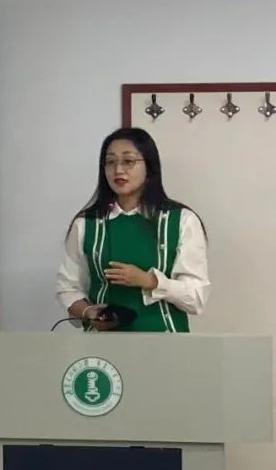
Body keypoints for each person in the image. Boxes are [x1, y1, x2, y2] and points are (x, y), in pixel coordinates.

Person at [56, 127, 210, 332]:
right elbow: (68, 287)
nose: (118, 170)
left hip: (166, 341)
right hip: (102, 345)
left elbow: (197, 297)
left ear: (149, 166)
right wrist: (89, 312)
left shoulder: (181, 220)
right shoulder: (86, 223)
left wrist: (149, 281)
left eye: (128, 161)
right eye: (110, 162)